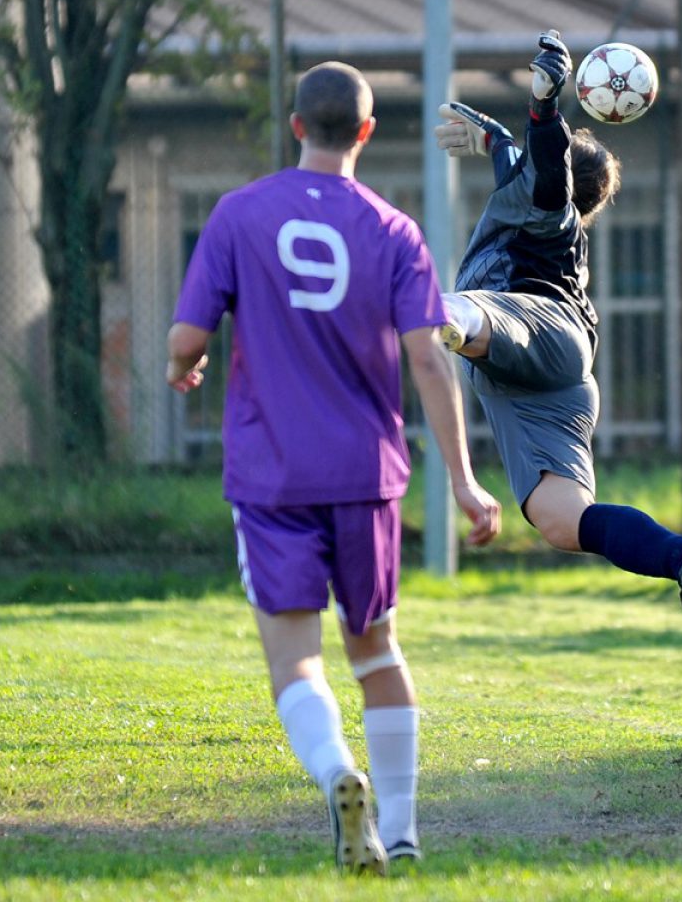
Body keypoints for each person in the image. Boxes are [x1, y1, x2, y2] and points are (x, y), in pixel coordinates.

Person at [166, 61, 501, 876]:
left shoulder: (239, 214)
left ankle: (335, 772)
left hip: (273, 478)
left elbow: (186, 339)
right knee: (376, 651)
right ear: (365, 132)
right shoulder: (394, 231)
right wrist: (461, 479)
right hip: (367, 477)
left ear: (294, 127)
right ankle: (406, 828)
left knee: (294, 658)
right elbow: (429, 361)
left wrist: (187, 367)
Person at [433, 31, 682, 629]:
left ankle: (446, 321)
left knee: (453, 306)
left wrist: (545, 107)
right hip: (546, 384)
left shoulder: (546, 210)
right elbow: (519, 158)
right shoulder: (531, 199)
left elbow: (545, 170)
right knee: (563, 522)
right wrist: (494, 136)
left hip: (535, 326)